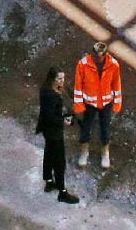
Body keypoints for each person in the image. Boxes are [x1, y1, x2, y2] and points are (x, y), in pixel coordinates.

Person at [74, 41, 125, 172]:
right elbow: (78, 85)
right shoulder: (83, 65)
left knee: (105, 128)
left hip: (106, 103)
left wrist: (117, 103)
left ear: (105, 55)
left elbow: (116, 85)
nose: (97, 58)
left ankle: (105, 153)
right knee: (85, 127)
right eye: (95, 55)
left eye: (100, 56)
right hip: (89, 103)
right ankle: (84, 152)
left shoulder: (113, 65)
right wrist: (79, 104)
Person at [37, 69, 80, 202]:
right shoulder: (52, 95)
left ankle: (49, 181)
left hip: (46, 129)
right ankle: (62, 192)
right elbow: (50, 118)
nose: (62, 81)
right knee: (59, 162)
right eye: (59, 79)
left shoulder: (44, 89)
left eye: (63, 78)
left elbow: (48, 114)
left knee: (49, 154)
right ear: (52, 79)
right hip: (53, 132)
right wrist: (64, 120)